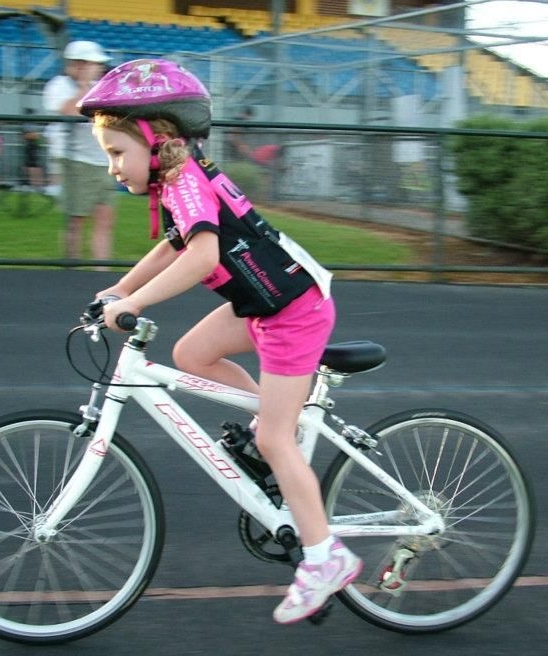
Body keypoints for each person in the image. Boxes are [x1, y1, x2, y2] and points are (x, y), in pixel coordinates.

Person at [78, 58, 362, 624]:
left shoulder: (185, 182)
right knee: (189, 355)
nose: (112, 167)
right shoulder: (181, 180)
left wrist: (134, 304)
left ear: (156, 140)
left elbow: (203, 255)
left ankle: (325, 557)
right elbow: (175, 246)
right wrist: (121, 287)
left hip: (293, 312)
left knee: (279, 441)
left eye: (116, 152)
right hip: (267, 303)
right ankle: (274, 421)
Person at [43, 40, 119, 265]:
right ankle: (72, 268)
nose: (99, 68)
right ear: (78, 64)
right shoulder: (59, 86)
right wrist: (85, 86)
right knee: (75, 219)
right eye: (94, 64)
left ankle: (101, 270)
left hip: (102, 160)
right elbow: (69, 111)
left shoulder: (103, 85)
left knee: (105, 219)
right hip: (75, 161)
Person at [21, 111, 44, 190]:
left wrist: (34, 135)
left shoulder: (33, 125)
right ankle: (33, 184)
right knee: (30, 166)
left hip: (34, 146)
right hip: (30, 146)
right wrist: (33, 135)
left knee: (35, 166)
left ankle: (37, 185)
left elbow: (36, 136)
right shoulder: (27, 124)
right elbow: (27, 136)